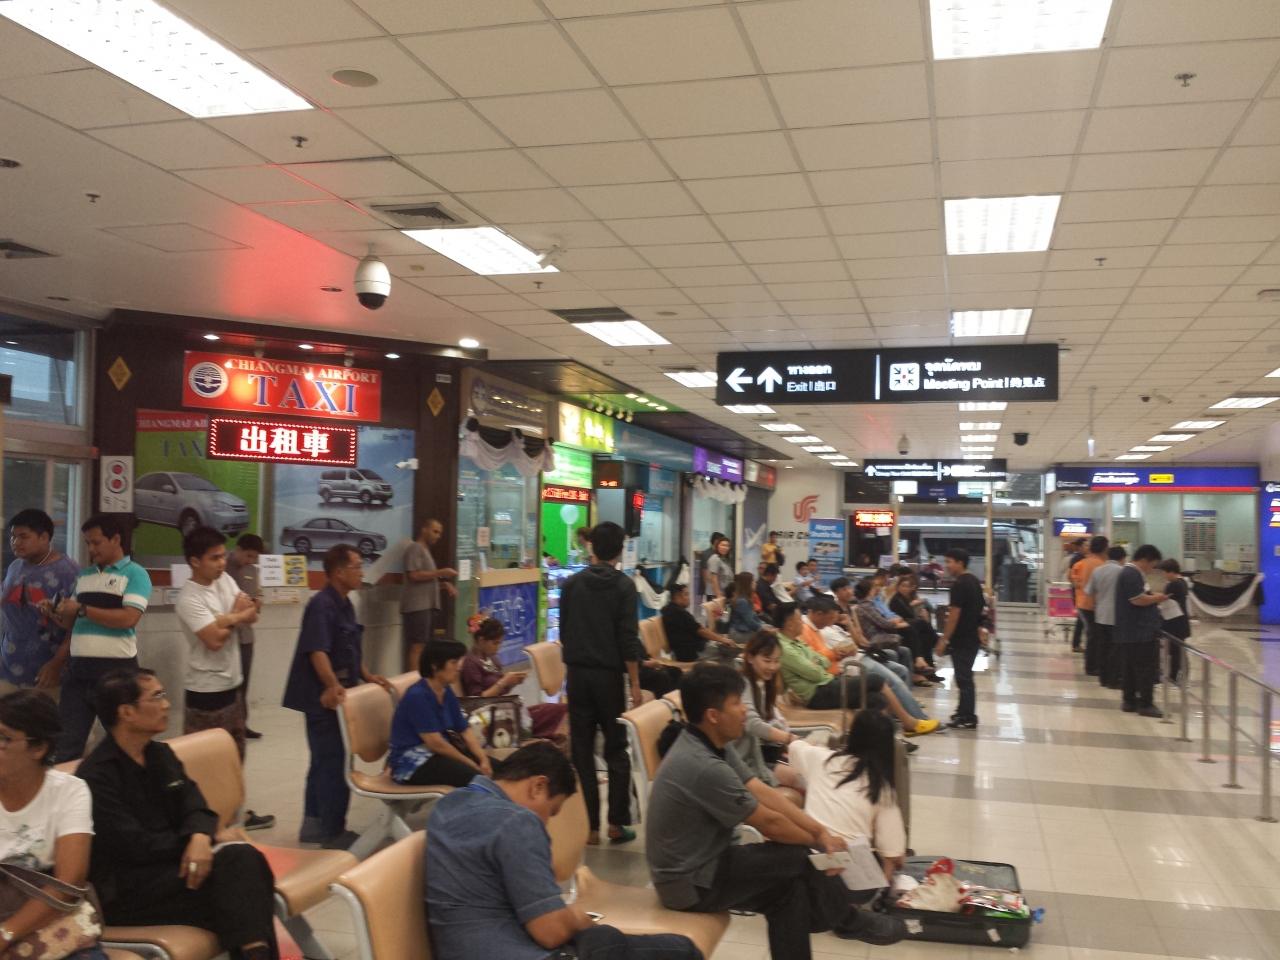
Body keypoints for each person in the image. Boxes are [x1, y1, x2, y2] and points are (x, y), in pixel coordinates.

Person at [647, 664, 903, 955]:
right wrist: (820, 842)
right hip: (689, 883)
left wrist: (820, 831)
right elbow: (769, 823)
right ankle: (847, 920)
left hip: (708, 864)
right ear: (713, 716)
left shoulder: (712, 742)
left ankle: (839, 918)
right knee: (797, 856)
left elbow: (760, 789)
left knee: (789, 892)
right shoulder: (703, 765)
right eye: (736, 703)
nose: (745, 711)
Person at [426, 742, 701, 960]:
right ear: (538, 786)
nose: (546, 823)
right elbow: (551, 931)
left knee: (606, 939)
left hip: (467, 948)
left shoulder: (449, 805)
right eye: (551, 810)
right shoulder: (517, 822)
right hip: (520, 952)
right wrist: (577, 918)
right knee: (682, 950)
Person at [78, 668, 278, 959]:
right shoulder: (96, 776)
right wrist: (199, 843)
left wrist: (200, 838)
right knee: (243, 880)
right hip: (131, 891)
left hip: (177, 872)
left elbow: (196, 805)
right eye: (157, 696)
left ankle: (255, 954)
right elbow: (134, 845)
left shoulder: (160, 755)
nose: (167, 704)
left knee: (243, 877)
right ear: (127, 712)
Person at [282, 543, 391, 849]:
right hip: (322, 697)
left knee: (324, 760)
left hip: (341, 693)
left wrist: (367, 675)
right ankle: (332, 831)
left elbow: (350, 649)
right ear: (339, 572)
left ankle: (313, 826)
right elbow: (317, 650)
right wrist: (331, 686)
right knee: (332, 762)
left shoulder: (346, 603)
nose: (361, 572)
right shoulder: (321, 605)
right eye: (357, 566)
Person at [0, 690, 107, 960]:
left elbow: (69, 880)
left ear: (39, 748)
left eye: (3, 738)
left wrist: (7, 933)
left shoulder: (69, 791)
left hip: (49, 920)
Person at [41, 514, 152, 762]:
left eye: (96, 542)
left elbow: (128, 618)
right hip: (78, 672)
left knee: (126, 743)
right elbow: (71, 622)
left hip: (117, 673)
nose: (91, 549)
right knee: (66, 745)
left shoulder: (136, 574)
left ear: (116, 539)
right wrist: (55, 612)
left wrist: (82, 609)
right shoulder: (84, 576)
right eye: (87, 543)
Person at [559, 522, 641, 846]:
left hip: (577, 675)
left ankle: (590, 827)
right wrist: (634, 683)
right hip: (609, 678)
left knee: (581, 750)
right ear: (620, 550)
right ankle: (616, 824)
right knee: (616, 748)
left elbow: (564, 631)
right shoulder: (624, 587)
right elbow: (628, 639)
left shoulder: (571, 584)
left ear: (591, 546)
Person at [788, 708, 907, 888]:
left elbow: (794, 747)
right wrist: (882, 883)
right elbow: (892, 853)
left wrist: (806, 743)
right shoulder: (881, 788)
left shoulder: (821, 758)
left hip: (808, 865)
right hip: (850, 877)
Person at [777, 604, 937, 735]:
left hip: (827, 684)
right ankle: (909, 723)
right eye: (799, 620)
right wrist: (817, 664)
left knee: (876, 699)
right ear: (789, 623)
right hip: (817, 694)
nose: (802, 622)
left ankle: (886, 739)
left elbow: (823, 661)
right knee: (876, 680)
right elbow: (814, 673)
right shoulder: (785, 648)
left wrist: (816, 663)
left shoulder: (796, 642)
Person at [174, 527, 255, 757]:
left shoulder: (225, 580)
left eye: (223, 556)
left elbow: (252, 614)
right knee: (205, 761)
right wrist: (237, 615)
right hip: (206, 690)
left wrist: (224, 620)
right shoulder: (189, 598)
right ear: (195, 561)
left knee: (235, 757)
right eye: (214, 558)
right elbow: (214, 640)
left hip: (233, 683)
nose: (222, 563)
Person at [389, 640, 490, 786]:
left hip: (438, 754)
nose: (459, 667)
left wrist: (483, 758)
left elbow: (464, 729)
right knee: (477, 779)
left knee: (499, 769)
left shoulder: (445, 690)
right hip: (411, 761)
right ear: (435, 665)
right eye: (454, 662)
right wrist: (470, 763)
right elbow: (435, 743)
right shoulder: (417, 696)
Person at [1, 509, 80, 696]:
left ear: (44, 537)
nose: (15, 542)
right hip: (7, 667)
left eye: (23, 536)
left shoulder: (68, 572)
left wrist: (57, 663)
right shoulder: (15, 566)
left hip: (46, 674)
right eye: (13, 536)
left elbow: (79, 625)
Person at [461, 618, 568, 744]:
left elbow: (500, 690)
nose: (498, 647)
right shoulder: (471, 664)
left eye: (500, 643)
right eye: (495, 643)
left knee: (558, 710)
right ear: (481, 640)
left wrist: (512, 682)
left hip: (505, 708)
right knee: (556, 712)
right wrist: (504, 682)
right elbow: (476, 700)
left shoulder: (492, 659)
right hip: (494, 716)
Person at [737, 632, 803, 791]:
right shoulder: (742, 684)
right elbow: (752, 723)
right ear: (750, 658)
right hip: (747, 760)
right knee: (801, 778)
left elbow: (771, 718)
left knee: (806, 772)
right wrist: (788, 738)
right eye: (767, 661)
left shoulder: (763, 684)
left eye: (776, 661)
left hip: (762, 752)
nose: (773, 667)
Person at [1114, 545, 1167, 717]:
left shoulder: (1131, 573)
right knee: (1145, 669)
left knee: (1130, 667)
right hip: (1139, 631)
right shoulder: (1131, 574)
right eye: (1152, 565)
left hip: (1131, 631)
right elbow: (1137, 599)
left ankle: (1129, 701)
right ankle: (1145, 703)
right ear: (1144, 559)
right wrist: (1156, 598)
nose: (1152, 569)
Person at [937, 548, 985, 730]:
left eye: (949, 562)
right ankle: (962, 711)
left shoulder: (959, 585)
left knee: (964, 678)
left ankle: (968, 717)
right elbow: (981, 609)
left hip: (962, 638)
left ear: (960, 563)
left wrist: (944, 639)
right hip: (971, 637)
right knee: (964, 676)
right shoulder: (973, 581)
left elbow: (954, 616)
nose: (946, 566)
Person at [402, 519, 458, 671]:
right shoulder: (415, 548)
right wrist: (441, 572)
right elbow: (413, 575)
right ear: (424, 529)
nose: (437, 536)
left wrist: (444, 585)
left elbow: (425, 583)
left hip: (425, 605)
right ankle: (414, 679)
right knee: (417, 646)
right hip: (417, 606)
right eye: (435, 531)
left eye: (439, 533)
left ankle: (420, 676)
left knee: (423, 646)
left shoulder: (425, 551)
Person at [224, 534, 265, 740]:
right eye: (248, 555)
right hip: (225, 636)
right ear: (238, 549)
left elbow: (257, 598)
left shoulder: (253, 571)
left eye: (254, 558)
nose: (250, 561)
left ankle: (241, 725)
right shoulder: (222, 568)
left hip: (246, 637)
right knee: (228, 684)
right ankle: (225, 727)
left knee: (243, 683)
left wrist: (258, 603)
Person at [660, 582, 735, 663]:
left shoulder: (670, 610)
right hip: (693, 653)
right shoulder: (678, 613)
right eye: (686, 594)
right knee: (728, 652)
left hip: (690, 650)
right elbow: (701, 631)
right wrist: (722, 640)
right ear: (677, 596)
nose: (689, 598)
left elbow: (698, 629)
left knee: (725, 648)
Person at [1086, 546, 1127, 687]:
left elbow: (1089, 591)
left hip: (1100, 615)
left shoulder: (1097, 570)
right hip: (1117, 616)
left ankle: (1103, 679)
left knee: (1102, 648)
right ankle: (1113, 680)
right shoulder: (1122, 571)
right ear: (1122, 558)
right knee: (1115, 650)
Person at [1071, 535, 1108, 656]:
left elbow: (1073, 579)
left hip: (1082, 602)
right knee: (1094, 636)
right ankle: (1092, 662)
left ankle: (1089, 659)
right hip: (1093, 604)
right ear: (1104, 548)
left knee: (1091, 633)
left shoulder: (1082, 562)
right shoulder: (1101, 565)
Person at [1158, 559, 1189, 684]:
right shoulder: (1183, 582)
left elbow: (1164, 600)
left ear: (1171, 571)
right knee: (1179, 651)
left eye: (1164, 572)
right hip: (1181, 623)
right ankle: (1179, 676)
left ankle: (1175, 676)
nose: (1164, 576)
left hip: (1174, 624)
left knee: (1175, 652)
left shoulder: (1173, 584)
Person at [727, 572, 772, 647]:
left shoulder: (746, 599)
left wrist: (766, 626)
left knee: (770, 630)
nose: (755, 583)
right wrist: (765, 629)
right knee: (768, 637)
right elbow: (751, 623)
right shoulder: (742, 601)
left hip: (745, 631)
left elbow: (755, 618)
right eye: (753, 581)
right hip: (738, 634)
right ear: (747, 584)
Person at [703, 536, 733, 601]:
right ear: (717, 546)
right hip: (715, 595)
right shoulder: (715, 558)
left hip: (724, 594)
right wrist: (718, 595)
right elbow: (713, 579)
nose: (725, 548)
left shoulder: (725, 560)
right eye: (723, 545)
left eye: (727, 546)